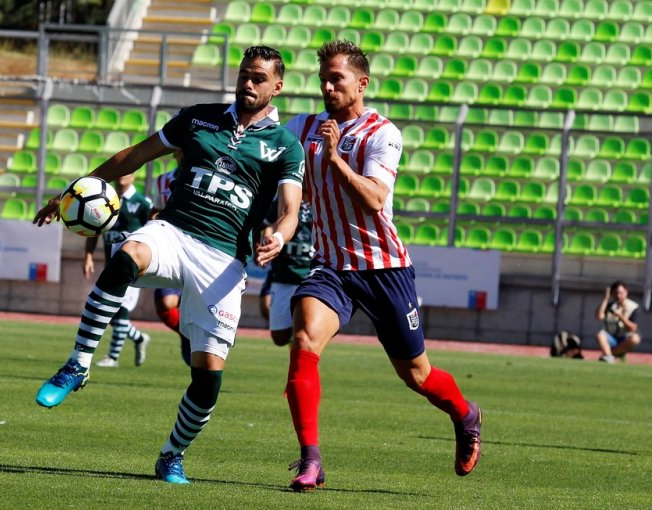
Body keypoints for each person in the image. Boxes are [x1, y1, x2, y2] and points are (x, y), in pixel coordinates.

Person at [32, 46, 305, 485]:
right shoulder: (198, 118)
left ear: (277, 85)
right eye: (243, 75)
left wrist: (279, 235)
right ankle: (78, 365)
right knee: (125, 258)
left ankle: (171, 455)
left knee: (208, 378)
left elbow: (290, 208)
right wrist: (68, 194)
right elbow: (133, 157)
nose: (248, 84)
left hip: (223, 260)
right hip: (174, 231)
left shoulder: (285, 146)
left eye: (258, 78)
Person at [282, 40, 482, 492]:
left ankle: (466, 414)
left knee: (418, 376)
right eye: (323, 79)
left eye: (337, 79)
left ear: (361, 83)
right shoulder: (304, 126)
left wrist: (334, 161)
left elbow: (374, 198)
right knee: (303, 339)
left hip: (384, 269)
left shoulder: (382, 132)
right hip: (331, 267)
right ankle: (310, 460)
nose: (328, 87)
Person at [85, 173, 153, 368]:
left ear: (134, 176)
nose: (122, 174)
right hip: (110, 267)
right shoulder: (105, 201)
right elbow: (95, 229)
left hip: (130, 269)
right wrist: (88, 254)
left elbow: (155, 227)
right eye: (121, 170)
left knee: (120, 312)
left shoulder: (142, 203)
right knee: (109, 314)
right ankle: (139, 338)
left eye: (128, 171)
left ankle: (112, 358)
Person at [150, 159, 192, 366]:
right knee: (165, 304)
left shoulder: (204, 174)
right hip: (169, 248)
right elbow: (156, 209)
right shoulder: (162, 180)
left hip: (198, 250)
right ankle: (186, 334)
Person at [263, 193, 314, 346]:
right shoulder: (286, 197)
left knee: (306, 332)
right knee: (279, 337)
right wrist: (267, 241)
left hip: (311, 275)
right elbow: (268, 224)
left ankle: (301, 358)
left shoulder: (324, 196)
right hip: (284, 272)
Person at [596, 281, 641, 363]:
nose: (618, 295)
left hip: (624, 338)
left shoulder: (633, 307)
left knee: (635, 338)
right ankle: (610, 358)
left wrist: (621, 316)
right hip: (611, 337)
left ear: (626, 292)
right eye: (616, 293)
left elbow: (633, 328)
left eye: (621, 293)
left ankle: (610, 354)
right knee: (600, 334)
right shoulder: (610, 305)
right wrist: (606, 298)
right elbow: (599, 316)